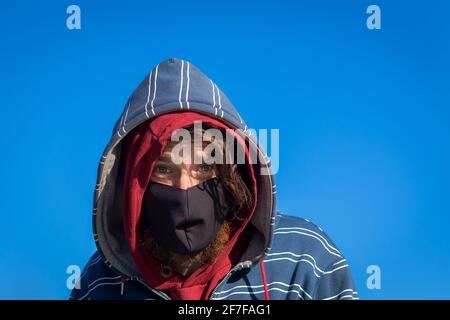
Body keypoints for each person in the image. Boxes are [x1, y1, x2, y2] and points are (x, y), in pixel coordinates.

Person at [69, 58, 358, 300]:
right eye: (164, 170)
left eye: (204, 168)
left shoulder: (303, 258)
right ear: (133, 185)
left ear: (234, 175)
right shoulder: (101, 281)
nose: (185, 189)